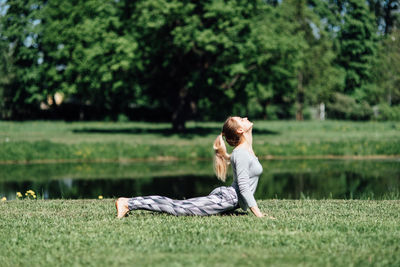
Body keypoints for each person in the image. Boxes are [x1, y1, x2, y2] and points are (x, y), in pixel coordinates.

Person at [115, 116, 274, 218]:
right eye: (241, 119)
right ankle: (128, 202)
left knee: (179, 206)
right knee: (178, 208)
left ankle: (129, 202)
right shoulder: (241, 153)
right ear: (240, 130)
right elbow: (244, 187)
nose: (246, 118)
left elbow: (244, 148)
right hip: (227, 199)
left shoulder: (245, 150)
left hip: (229, 199)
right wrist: (258, 214)